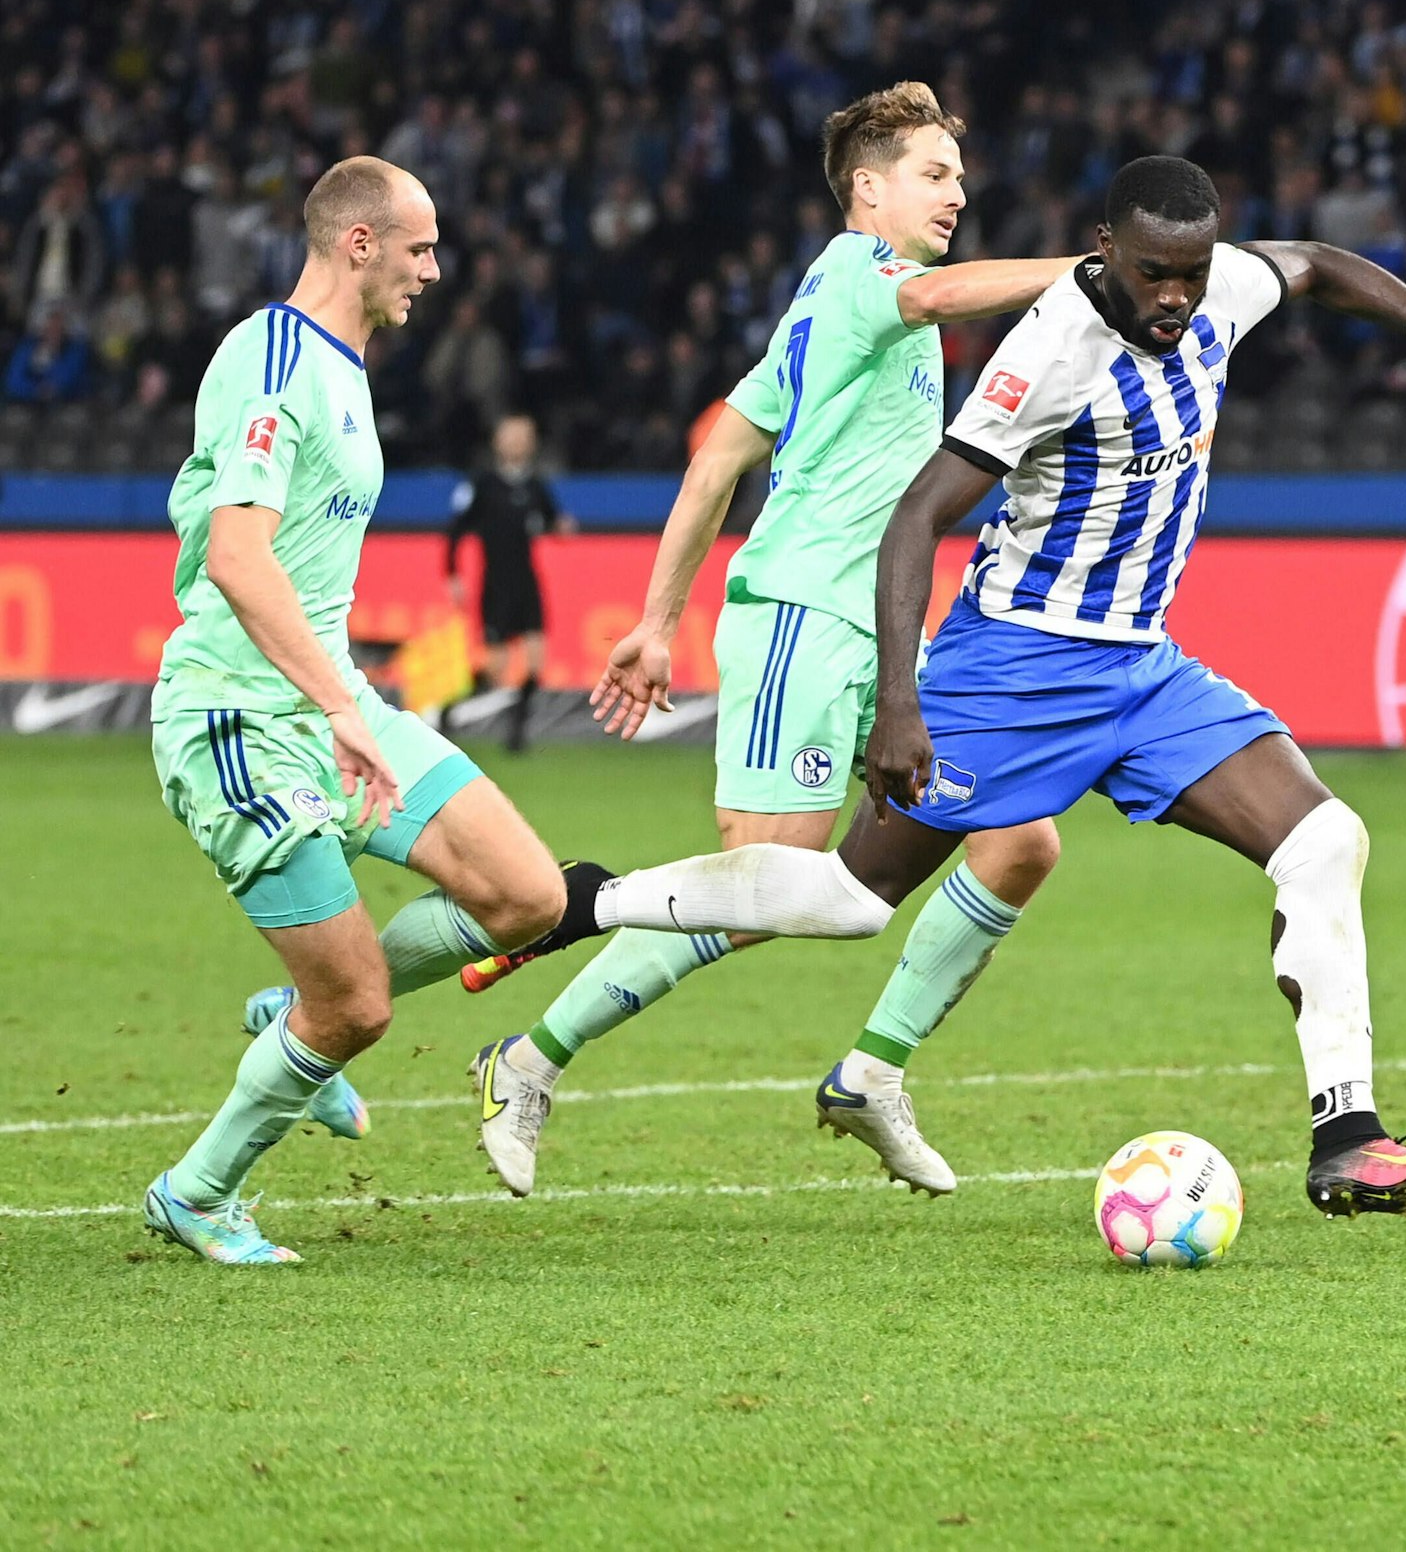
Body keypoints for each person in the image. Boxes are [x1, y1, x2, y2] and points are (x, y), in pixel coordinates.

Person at [516, 157, 1406, 1221]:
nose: (1175, 297)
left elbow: (1320, 265)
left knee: (1324, 840)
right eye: (1152, 273)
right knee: (846, 899)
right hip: (1009, 669)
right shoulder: (1051, 348)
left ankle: (1348, 1137)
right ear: (1104, 250)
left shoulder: (1217, 288)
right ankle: (585, 898)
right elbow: (918, 516)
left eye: (1189, 272)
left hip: (1141, 668)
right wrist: (905, 706)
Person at [467, 81, 1072, 1196]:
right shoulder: (857, 275)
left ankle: (871, 1071)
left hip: (886, 637)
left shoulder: (824, 312)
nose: (957, 190)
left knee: (1016, 840)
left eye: (956, 173)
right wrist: (1086, 272)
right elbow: (938, 294)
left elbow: (715, 459)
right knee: (768, 887)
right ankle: (526, 1056)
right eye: (934, 174)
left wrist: (654, 624)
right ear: (867, 189)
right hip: (804, 611)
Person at [142, 156, 615, 1266]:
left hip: (331, 702)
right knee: (357, 1007)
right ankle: (199, 1190)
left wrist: (345, 701)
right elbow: (237, 554)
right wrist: (336, 703)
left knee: (527, 895)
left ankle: (289, 1013)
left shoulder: (346, 367)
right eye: (419, 247)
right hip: (236, 717)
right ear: (358, 242)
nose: (433, 270)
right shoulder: (271, 358)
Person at [444, 413, 575, 751]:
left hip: (527, 582)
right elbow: (456, 530)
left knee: (535, 661)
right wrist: (453, 573)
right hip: (496, 585)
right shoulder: (482, 484)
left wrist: (561, 527)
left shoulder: (535, 486)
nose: (517, 442)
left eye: (523, 436)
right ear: (498, 442)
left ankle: (517, 734)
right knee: (496, 669)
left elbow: (550, 521)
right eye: (511, 436)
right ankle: (448, 712)